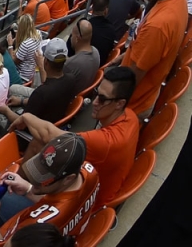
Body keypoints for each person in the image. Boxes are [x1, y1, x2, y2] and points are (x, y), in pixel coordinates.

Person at [11, 66, 139, 209]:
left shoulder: (106, 142)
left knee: (39, 143)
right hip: (100, 183)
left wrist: (27, 116)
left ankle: (13, 190)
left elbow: (51, 136)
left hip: (86, 202)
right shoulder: (131, 117)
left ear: (119, 103)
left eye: (103, 99)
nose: (95, 102)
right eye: (97, 93)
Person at [0, 133, 99, 247]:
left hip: (11, 239)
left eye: (44, 179)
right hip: (56, 226)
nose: (35, 180)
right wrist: (29, 189)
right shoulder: (89, 172)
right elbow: (59, 201)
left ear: (68, 179)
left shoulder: (38, 225)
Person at [117, 0, 189, 118]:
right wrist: (121, 58)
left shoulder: (159, 25)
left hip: (132, 104)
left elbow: (133, 77)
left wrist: (111, 104)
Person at [62, 19, 99, 94]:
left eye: (72, 35)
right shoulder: (96, 52)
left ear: (76, 39)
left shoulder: (71, 64)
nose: (71, 37)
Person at [7, 14, 41, 84]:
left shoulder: (25, 44)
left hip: (23, 76)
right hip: (32, 70)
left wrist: (10, 45)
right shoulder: (38, 33)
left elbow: (14, 62)